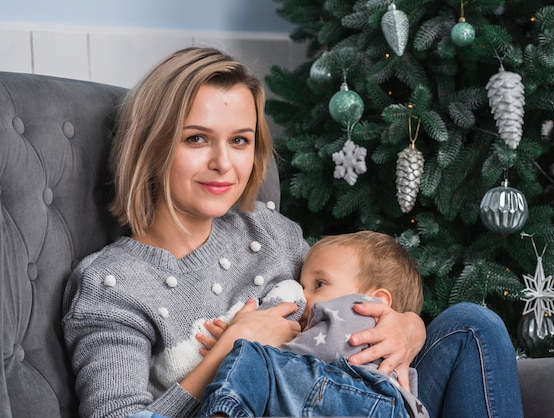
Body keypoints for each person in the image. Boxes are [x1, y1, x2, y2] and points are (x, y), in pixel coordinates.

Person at [61, 47, 427, 418]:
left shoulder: (272, 232)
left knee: (471, 325)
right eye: (197, 139)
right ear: (152, 146)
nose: (223, 164)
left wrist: (410, 326)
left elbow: (347, 296)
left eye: (239, 141)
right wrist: (232, 348)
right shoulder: (111, 286)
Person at [199, 230, 429, 417]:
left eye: (319, 284)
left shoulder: (360, 312)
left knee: (252, 356)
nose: (303, 296)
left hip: (360, 396)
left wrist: (249, 341)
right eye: (303, 286)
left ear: (376, 300)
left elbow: (323, 350)